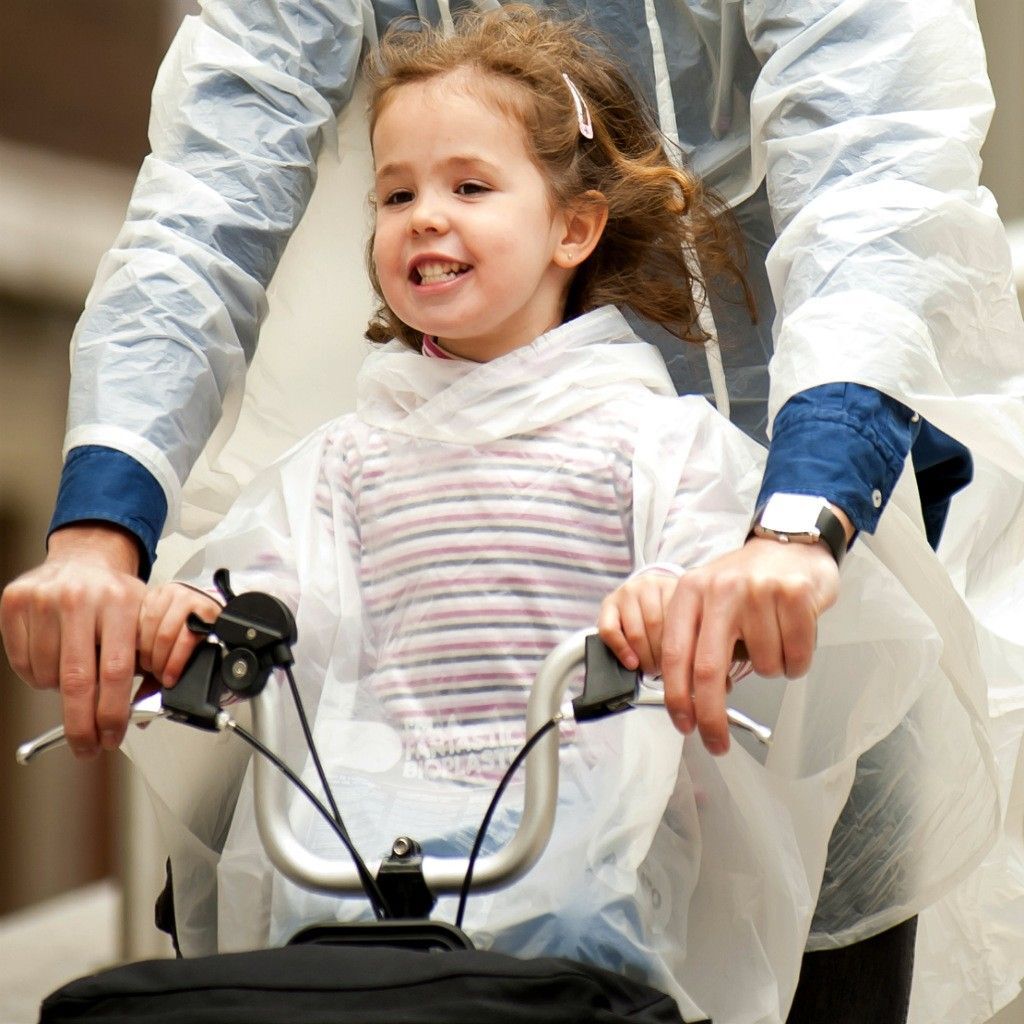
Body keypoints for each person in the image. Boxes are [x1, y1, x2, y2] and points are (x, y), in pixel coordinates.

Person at [3, 0, 1024, 1022]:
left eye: (469, 186)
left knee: (834, 780)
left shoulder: (670, 455)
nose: (426, 214)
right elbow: (204, 200)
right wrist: (117, 556)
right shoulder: (341, 467)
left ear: (575, 225)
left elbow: (874, 184)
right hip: (395, 690)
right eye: (395, 191)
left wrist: (795, 524)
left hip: (780, 488)